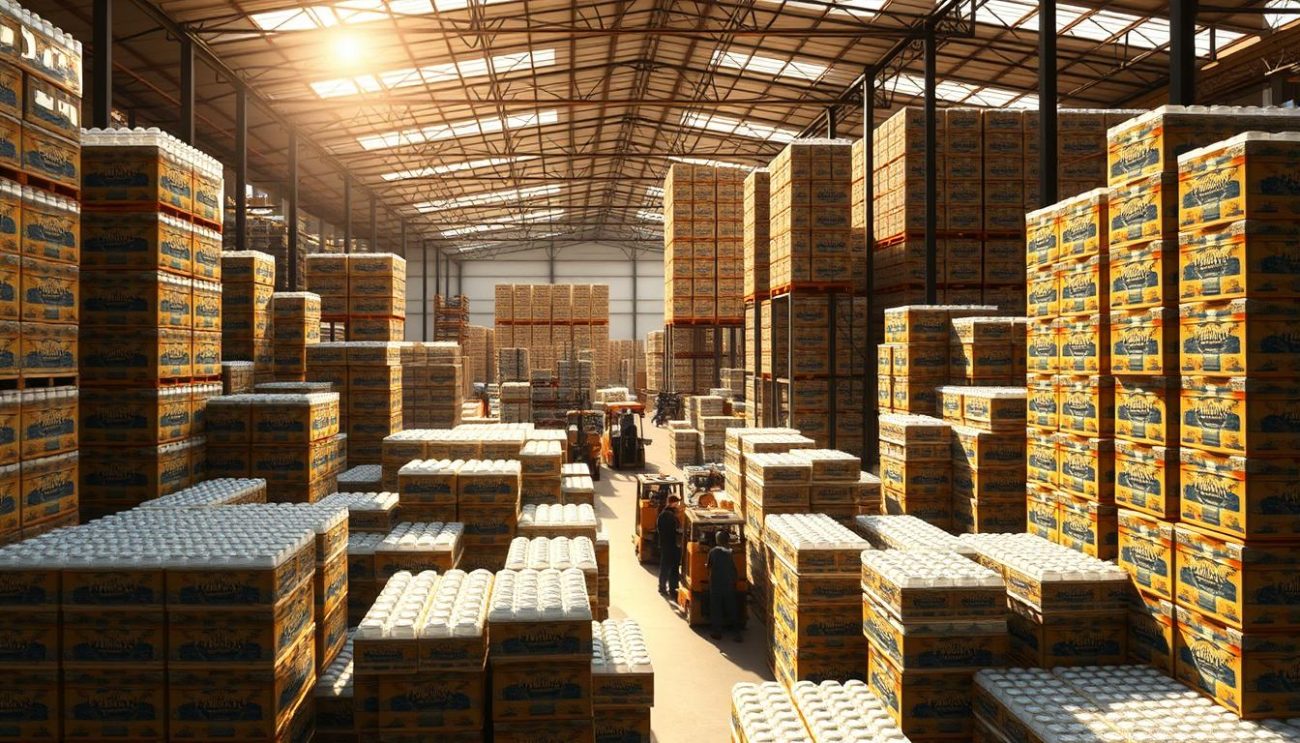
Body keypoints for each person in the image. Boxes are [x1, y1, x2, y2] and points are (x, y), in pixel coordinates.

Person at [708, 530, 742, 642]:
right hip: (728, 584)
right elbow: (734, 567)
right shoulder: (730, 552)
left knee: (716, 608)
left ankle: (717, 632)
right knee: (732, 608)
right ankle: (737, 633)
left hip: (716, 584)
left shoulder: (712, 552)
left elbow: (708, 565)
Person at [656, 494, 681, 598]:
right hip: (670, 544)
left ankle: (668, 588)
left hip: (667, 544)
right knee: (669, 567)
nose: (678, 505)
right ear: (672, 503)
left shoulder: (665, 514)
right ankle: (667, 588)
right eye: (677, 503)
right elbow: (671, 530)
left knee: (668, 567)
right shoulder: (668, 515)